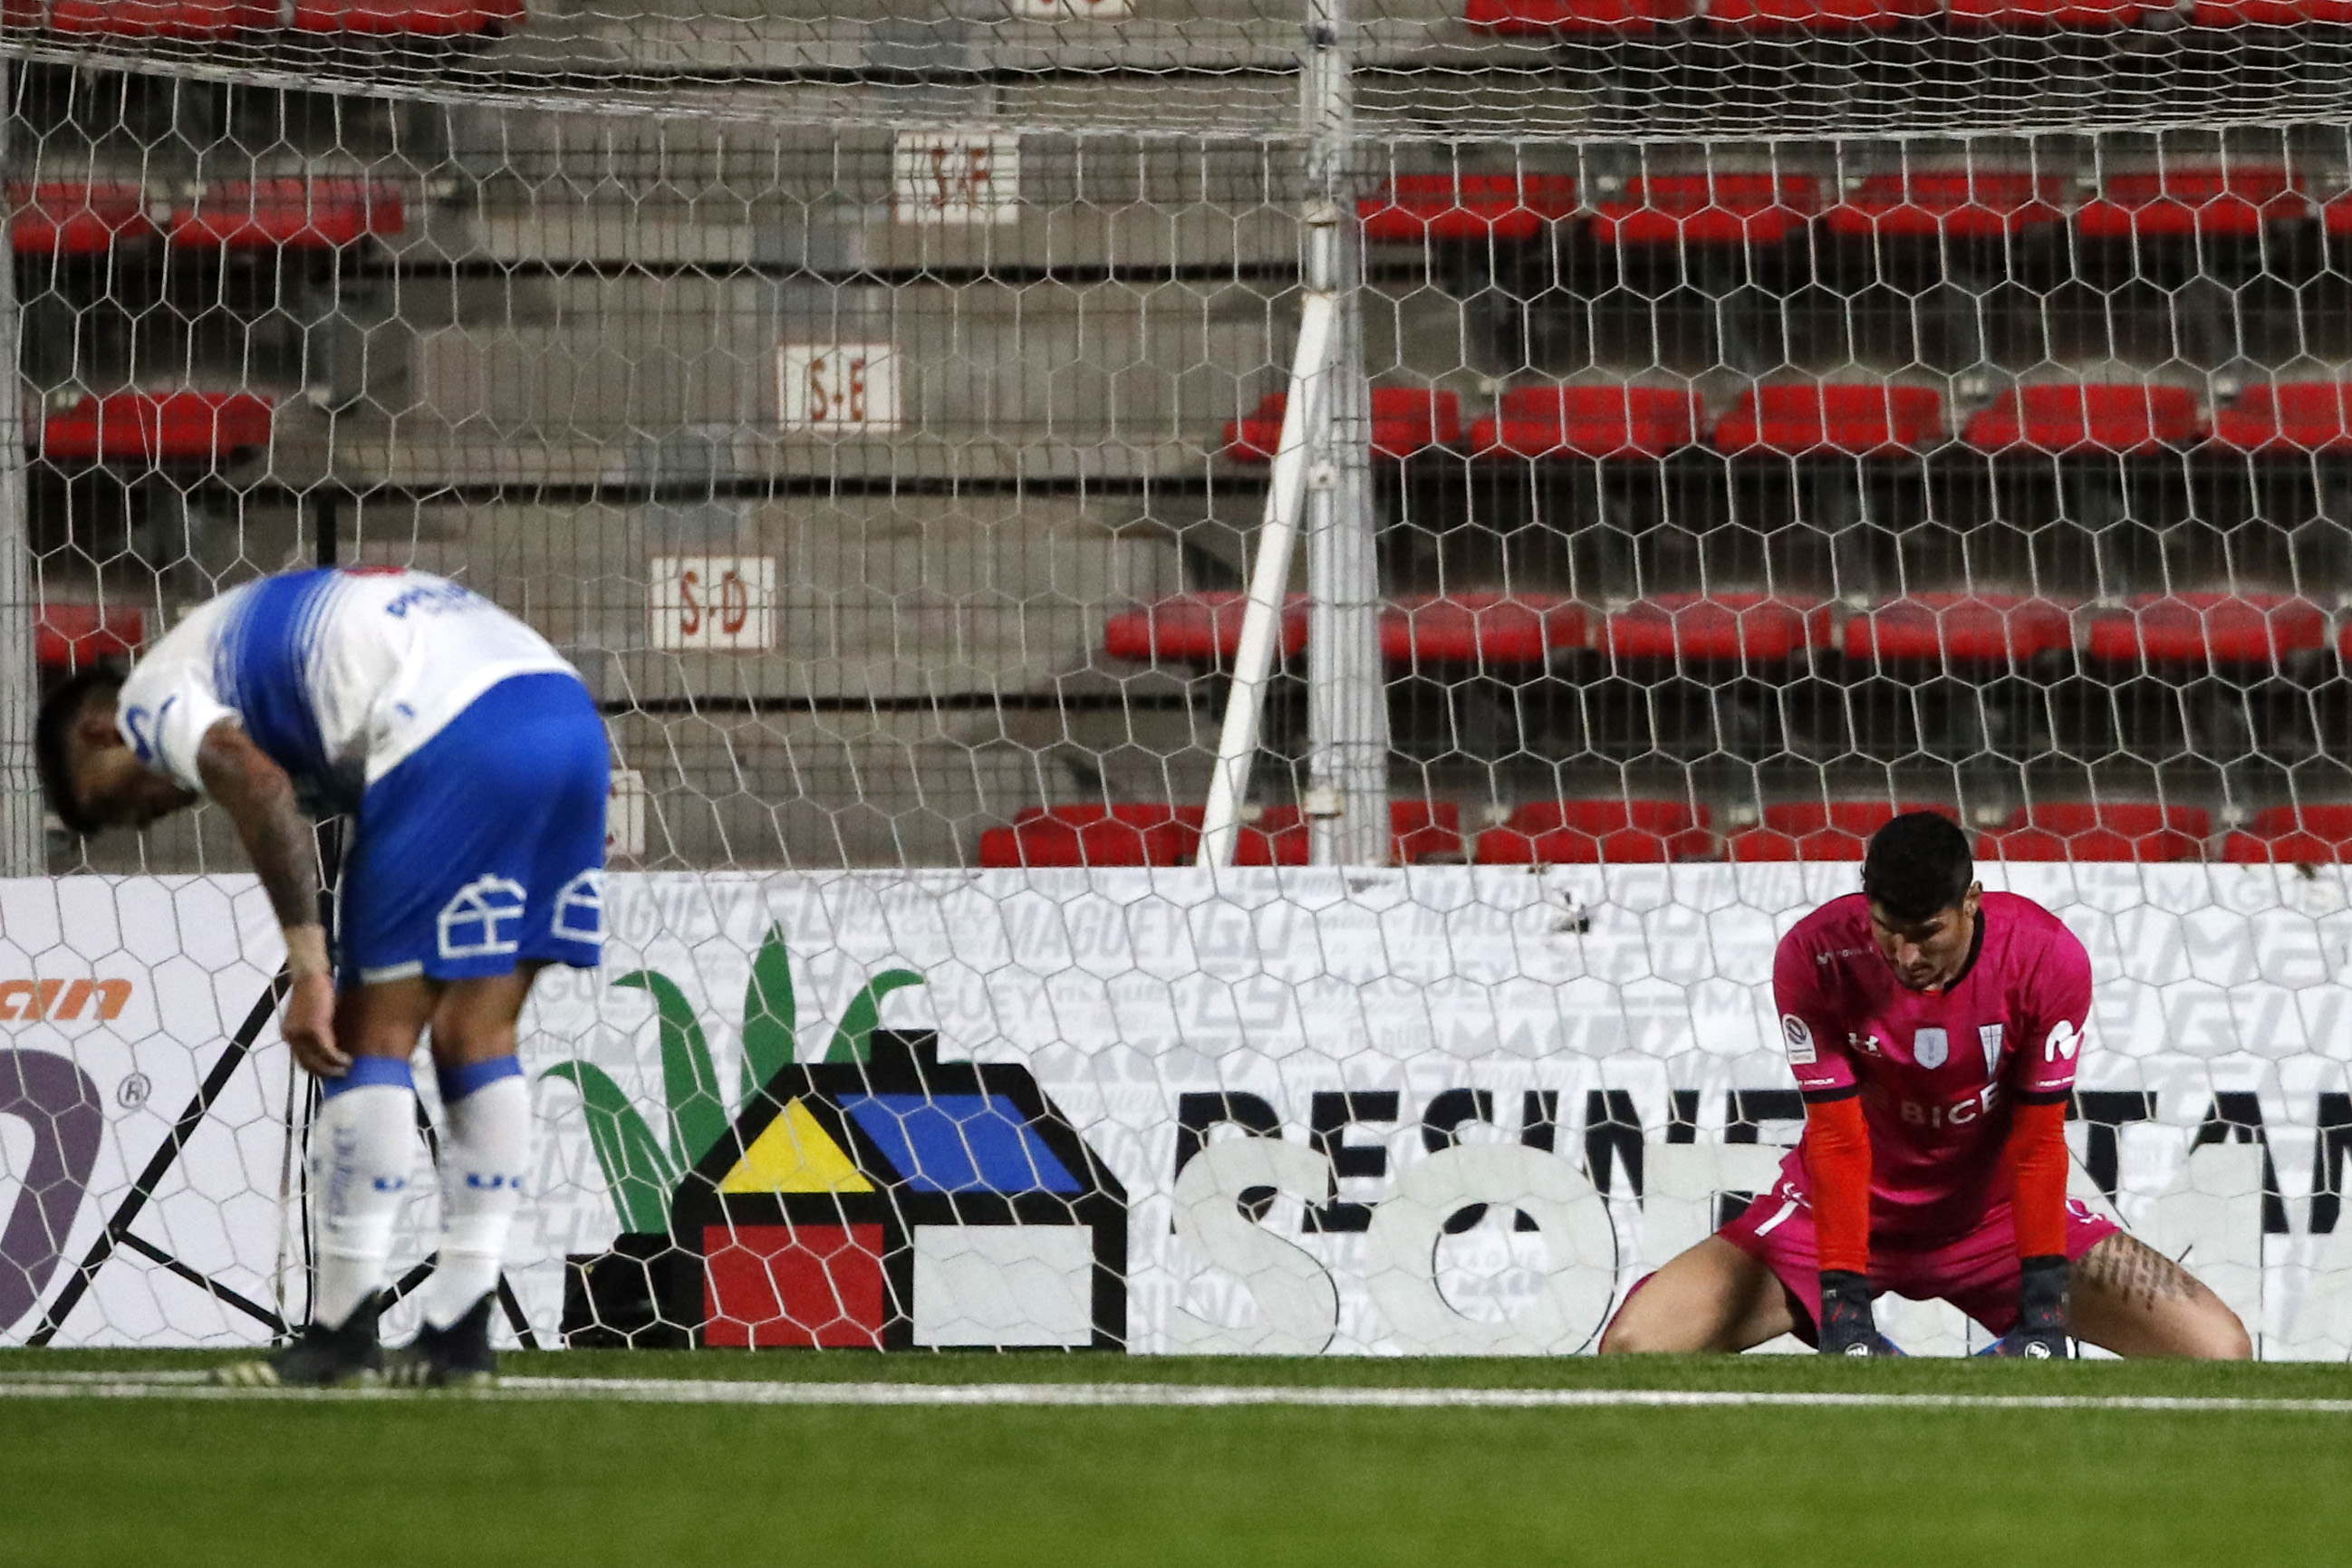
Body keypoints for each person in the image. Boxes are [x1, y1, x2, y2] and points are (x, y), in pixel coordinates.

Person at [36, 565, 608, 1387]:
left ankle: (341, 1333)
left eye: (114, 804)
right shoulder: (236, 662)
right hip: (565, 720)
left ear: (98, 732)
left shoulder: (150, 696)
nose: (141, 818)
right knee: (476, 1032)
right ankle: (459, 1328)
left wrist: (311, 969)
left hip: (451, 732)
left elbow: (259, 787)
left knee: (363, 1036)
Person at [1601, 811, 2251, 1359]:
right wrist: (1843, 1302)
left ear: (1971, 900)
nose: (1907, 956)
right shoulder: (1816, 954)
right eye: (1889, 931)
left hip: (1995, 1221)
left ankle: (1980, 1377)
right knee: (1634, 1346)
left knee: (2219, 1349)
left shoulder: (2046, 958)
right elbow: (1837, 1136)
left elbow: (2036, 1143)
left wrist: (2045, 1305)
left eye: (1927, 933)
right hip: (1832, 1216)